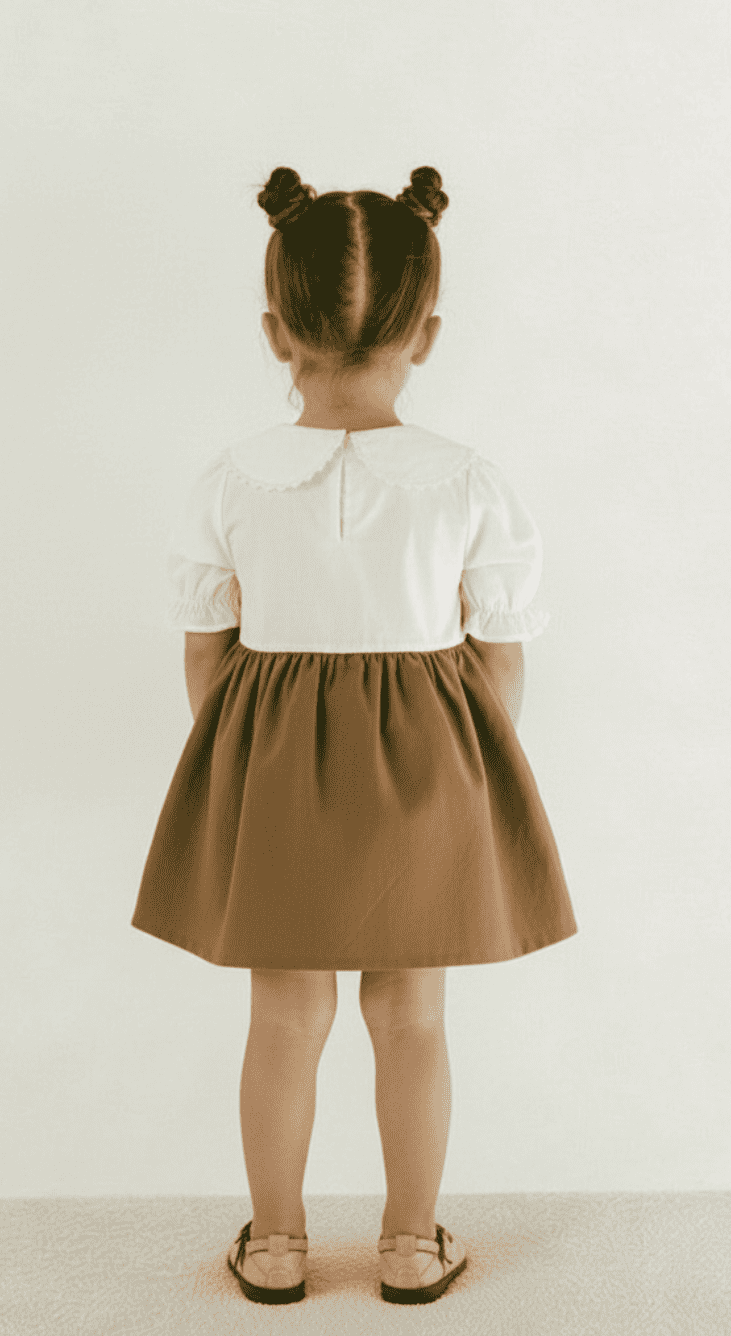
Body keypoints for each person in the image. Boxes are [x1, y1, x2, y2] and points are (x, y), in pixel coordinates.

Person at [131, 165, 578, 1306]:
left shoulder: (231, 477)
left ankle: (277, 1245)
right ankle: (411, 1244)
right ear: (425, 331)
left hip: (272, 761)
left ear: (274, 328)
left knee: (285, 1013)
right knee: (411, 1013)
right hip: (430, 757)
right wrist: (458, 781)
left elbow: (204, 652)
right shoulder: (467, 481)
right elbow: (503, 651)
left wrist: (247, 769)